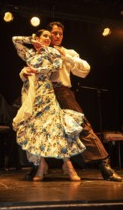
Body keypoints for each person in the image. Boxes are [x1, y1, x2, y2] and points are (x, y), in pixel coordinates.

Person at [21, 22, 122, 182]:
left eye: (60, 34)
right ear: (47, 34)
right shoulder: (38, 52)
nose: (57, 36)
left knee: (81, 126)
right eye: (54, 33)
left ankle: (105, 166)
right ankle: (37, 166)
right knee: (38, 128)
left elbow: (85, 70)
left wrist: (64, 57)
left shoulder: (67, 52)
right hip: (43, 93)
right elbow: (27, 69)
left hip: (62, 92)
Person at [12, 29, 86, 181]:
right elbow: (15, 40)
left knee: (55, 127)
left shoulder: (52, 52)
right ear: (38, 37)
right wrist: (31, 40)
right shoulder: (30, 54)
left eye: (49, 36)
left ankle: (68, 165)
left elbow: (56, 66)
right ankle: (41, 165)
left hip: (46, 92)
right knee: (37, 129)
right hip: (32, 94)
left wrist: (36, 69)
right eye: (44, 36)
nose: (48, 38)